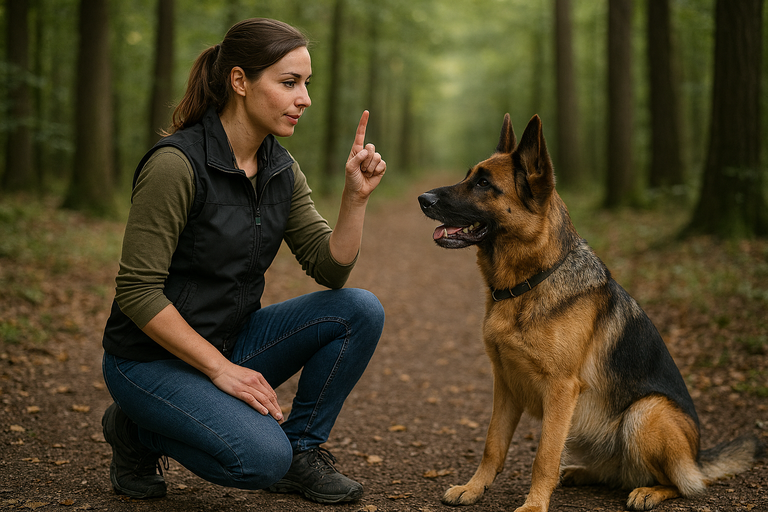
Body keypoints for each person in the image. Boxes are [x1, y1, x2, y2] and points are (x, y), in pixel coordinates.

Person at [100, 18, 386, 505]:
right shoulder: (176, 164)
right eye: (289, 83)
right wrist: (219, 370)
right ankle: (133, 429)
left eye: (307, 84)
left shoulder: (280, 169)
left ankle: (301, 452)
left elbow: (330, 268)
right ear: (240, 81)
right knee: (258, 460)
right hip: (147, 360)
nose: (305, 99)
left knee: (359, 308)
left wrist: (354, 199)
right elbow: (136, 292)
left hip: (232, 342)